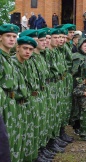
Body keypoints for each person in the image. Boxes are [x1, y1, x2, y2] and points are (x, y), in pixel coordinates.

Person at [0, 24, 19, 162]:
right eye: (8, 36)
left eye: (14, 36)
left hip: (10, 102)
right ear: (0, 37)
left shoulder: (8, 57)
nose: (12, 39)